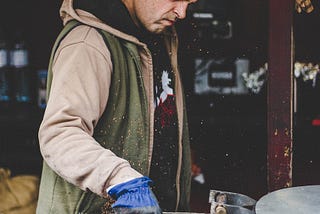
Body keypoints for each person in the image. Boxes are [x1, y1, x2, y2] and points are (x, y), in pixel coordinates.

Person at [36, 0, 197, 213]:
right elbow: (59, 135)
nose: (182, 12)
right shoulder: (87, 43)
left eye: (190, 2)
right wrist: (121, 180)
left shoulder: (159, 37)